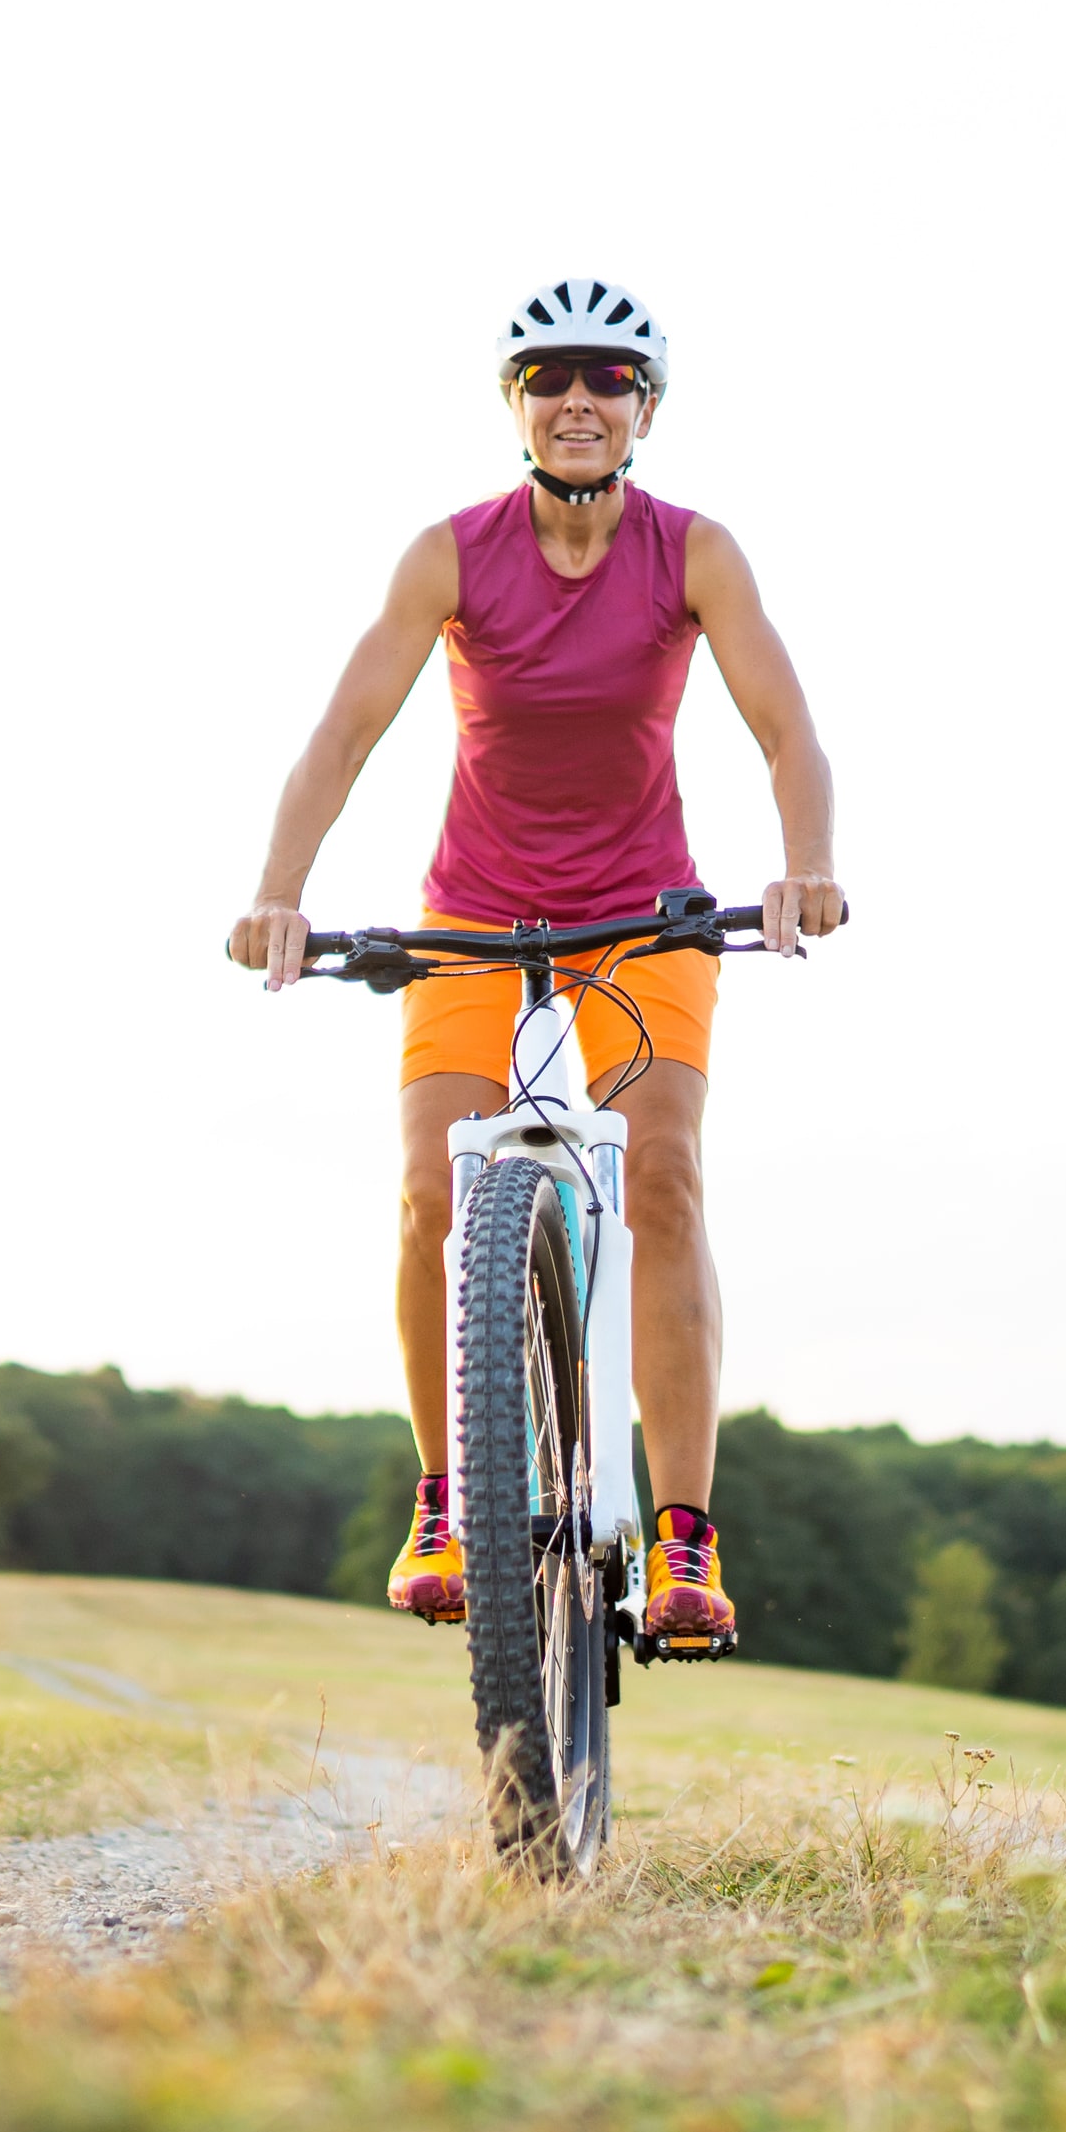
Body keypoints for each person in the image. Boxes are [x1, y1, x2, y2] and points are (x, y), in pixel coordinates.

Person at [228, 279, 844, 1648]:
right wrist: (281, 893)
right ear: (515, 403)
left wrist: (803, 863)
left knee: (664, 1172)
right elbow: (343, 732)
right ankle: (450, 1495)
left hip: (645, 918)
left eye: (610, 378)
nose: (579, 398)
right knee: (428, 1192)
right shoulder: (450, 554)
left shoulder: (695, 553)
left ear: (645, 407)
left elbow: (786, 727)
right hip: (474, 919)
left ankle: (683, 1533)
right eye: (549, 376)